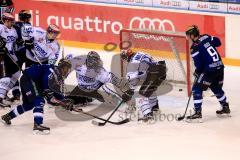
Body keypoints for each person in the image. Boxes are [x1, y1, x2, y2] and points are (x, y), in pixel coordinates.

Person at [1, 59, 72, 134]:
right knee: (39, 100)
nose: (66, 71)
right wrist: (48, 93)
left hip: (27, 80)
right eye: (64, 68)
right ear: (60, 66)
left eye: (67, 69)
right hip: (30, 79)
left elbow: (55, 92)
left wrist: (64, 101)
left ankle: (8, 116)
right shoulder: (53, 71)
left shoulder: (58, 77)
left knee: (28, 105)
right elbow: (45, 81)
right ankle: (38, 125)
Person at [185, 25, 230, 122]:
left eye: (188, 35)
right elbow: (218, 42)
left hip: (210, 71)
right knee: (215, 87)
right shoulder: (206, 37)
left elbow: (199, 66)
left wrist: (197, 72)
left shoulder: (194, 48)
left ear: (193, 35)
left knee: (197, 88)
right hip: (220, 68)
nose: (188, 37)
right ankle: (225, 107)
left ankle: (197, 113)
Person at [64, 51, 131, 107]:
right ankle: (87, 98)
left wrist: (125, 91)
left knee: (106, 86)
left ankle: (119, 100)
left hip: (96, 91)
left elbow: (114, 80)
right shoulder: (78, 63)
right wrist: (63, 68)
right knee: (67, 100)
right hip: (81, 89)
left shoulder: (100, 72)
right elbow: (67, 60)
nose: (98, 65)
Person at [120, 49, 166, 123]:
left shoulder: (131, 64)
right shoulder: (141, 53)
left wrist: (129, 92)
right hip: (162, 69)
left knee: (141, 94)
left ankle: (148, 115)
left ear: (126, 57)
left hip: (153, 73)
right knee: (149, 90)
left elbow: (133, 81)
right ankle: (155, 109)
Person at [0, 13, 19, 108]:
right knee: (6, 79)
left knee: (16, 74)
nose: (12, 22)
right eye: (11, 20)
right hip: (1, 56)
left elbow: (13, 45)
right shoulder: (0, 27)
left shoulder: (14, 31)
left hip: (10, 56)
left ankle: (3, 93)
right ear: (6, 21)